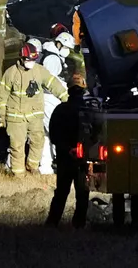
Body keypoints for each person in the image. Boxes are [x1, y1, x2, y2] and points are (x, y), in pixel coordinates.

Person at [0, 40, 68, 176]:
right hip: (15, 117)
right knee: (17, 146)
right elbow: (2, 96)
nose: (31, 62)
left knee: (38, 141)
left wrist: (67, 99)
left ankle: (32, 167)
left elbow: (54, 84)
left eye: (33, 59)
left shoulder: (39, 71)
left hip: (34, 116)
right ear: (21, 58)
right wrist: (2, 116)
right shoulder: (11, 73)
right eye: (28, 59)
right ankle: (18, 175)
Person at [45, 72, 99, 230]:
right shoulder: (89, 111)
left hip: (64, 159)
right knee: (82, 194)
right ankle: (79, 224)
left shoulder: (60, 110)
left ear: (68, 90)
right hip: (83, 160)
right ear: (84, 90)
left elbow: (53, 134)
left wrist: (67, 150)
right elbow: (96, 135)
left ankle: (52, 223)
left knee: (61, 192)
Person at [38, 33, 72, 174]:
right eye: (66, 47)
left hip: (52, 98)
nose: (67, 50)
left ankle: (46, 167)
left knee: (47, 135)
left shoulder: (52, 56)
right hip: (50, 98)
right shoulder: (52, 58)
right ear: (59, 43)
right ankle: (59, 164)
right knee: (56, 132)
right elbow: (49, 83)